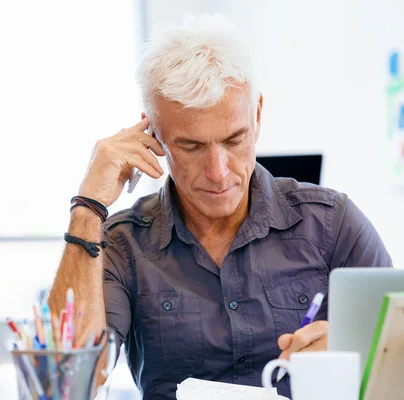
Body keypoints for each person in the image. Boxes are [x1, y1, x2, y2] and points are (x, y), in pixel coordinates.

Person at [48, 13, 392, 399]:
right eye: (191, 146)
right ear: (153, 134)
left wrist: (355, 358)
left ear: (257, 116)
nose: (217, 171)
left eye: (234, 139)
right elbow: (66, 381)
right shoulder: (122, 244)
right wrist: (87, 207)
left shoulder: (333, 225)